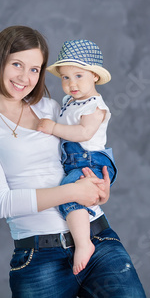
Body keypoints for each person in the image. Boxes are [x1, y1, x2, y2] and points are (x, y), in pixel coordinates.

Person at [0, 25, 146, 298]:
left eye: (35, 69)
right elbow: (1, 202)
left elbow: (81, 156)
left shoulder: (51, 107)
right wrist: (73, 192)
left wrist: (99, 189)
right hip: (39, 258)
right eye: (17, 64)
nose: (25, 77)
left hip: (98, 239)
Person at [37, 39, 117, 275]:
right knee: (70, 191)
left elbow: (84, 133)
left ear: (94, 76)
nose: (72, 83)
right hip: (77, 160)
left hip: (91, 160)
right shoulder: (69, 102)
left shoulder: (94, 106)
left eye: (79, 76)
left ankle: (84, 244)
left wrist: (52, 128)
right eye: (65, 77)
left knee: (69, 194)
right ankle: (83, 240)